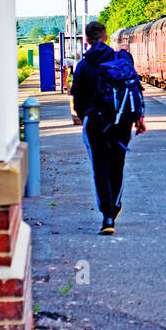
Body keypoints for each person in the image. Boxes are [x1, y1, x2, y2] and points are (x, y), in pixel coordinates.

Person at [71, 20, 146, 234]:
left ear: (86, 40)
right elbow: (134, 88)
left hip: (95, 122)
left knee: (100, 168)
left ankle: (107, 216)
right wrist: (138, 118)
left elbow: (77, 100)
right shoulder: (119, 59)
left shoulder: (83, 66)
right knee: (117, 165)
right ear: (105, 37)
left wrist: (86, 115)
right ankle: (115, 205)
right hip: (122, 121)